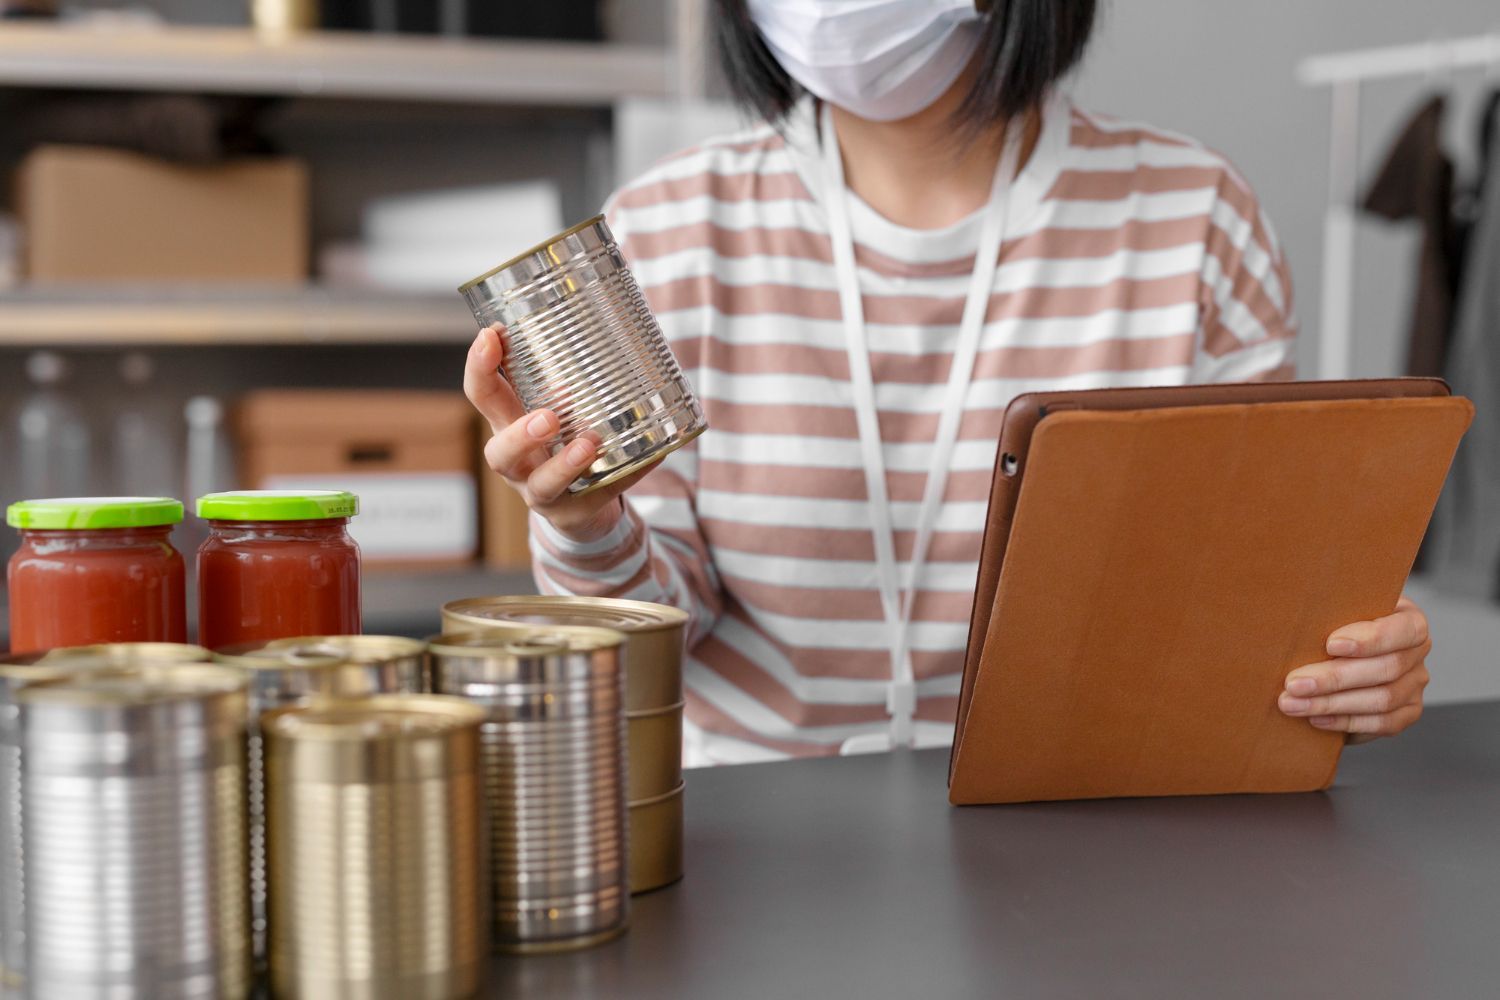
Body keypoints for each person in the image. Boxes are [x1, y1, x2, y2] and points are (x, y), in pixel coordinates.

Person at [465, 0, 1433, 764]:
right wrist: (585, 527)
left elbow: (1240, 605)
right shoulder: (666, 231)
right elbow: (649, 650)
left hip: (1087, 827)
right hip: (757, 837)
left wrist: (1345, 660)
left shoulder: (1192, 221)